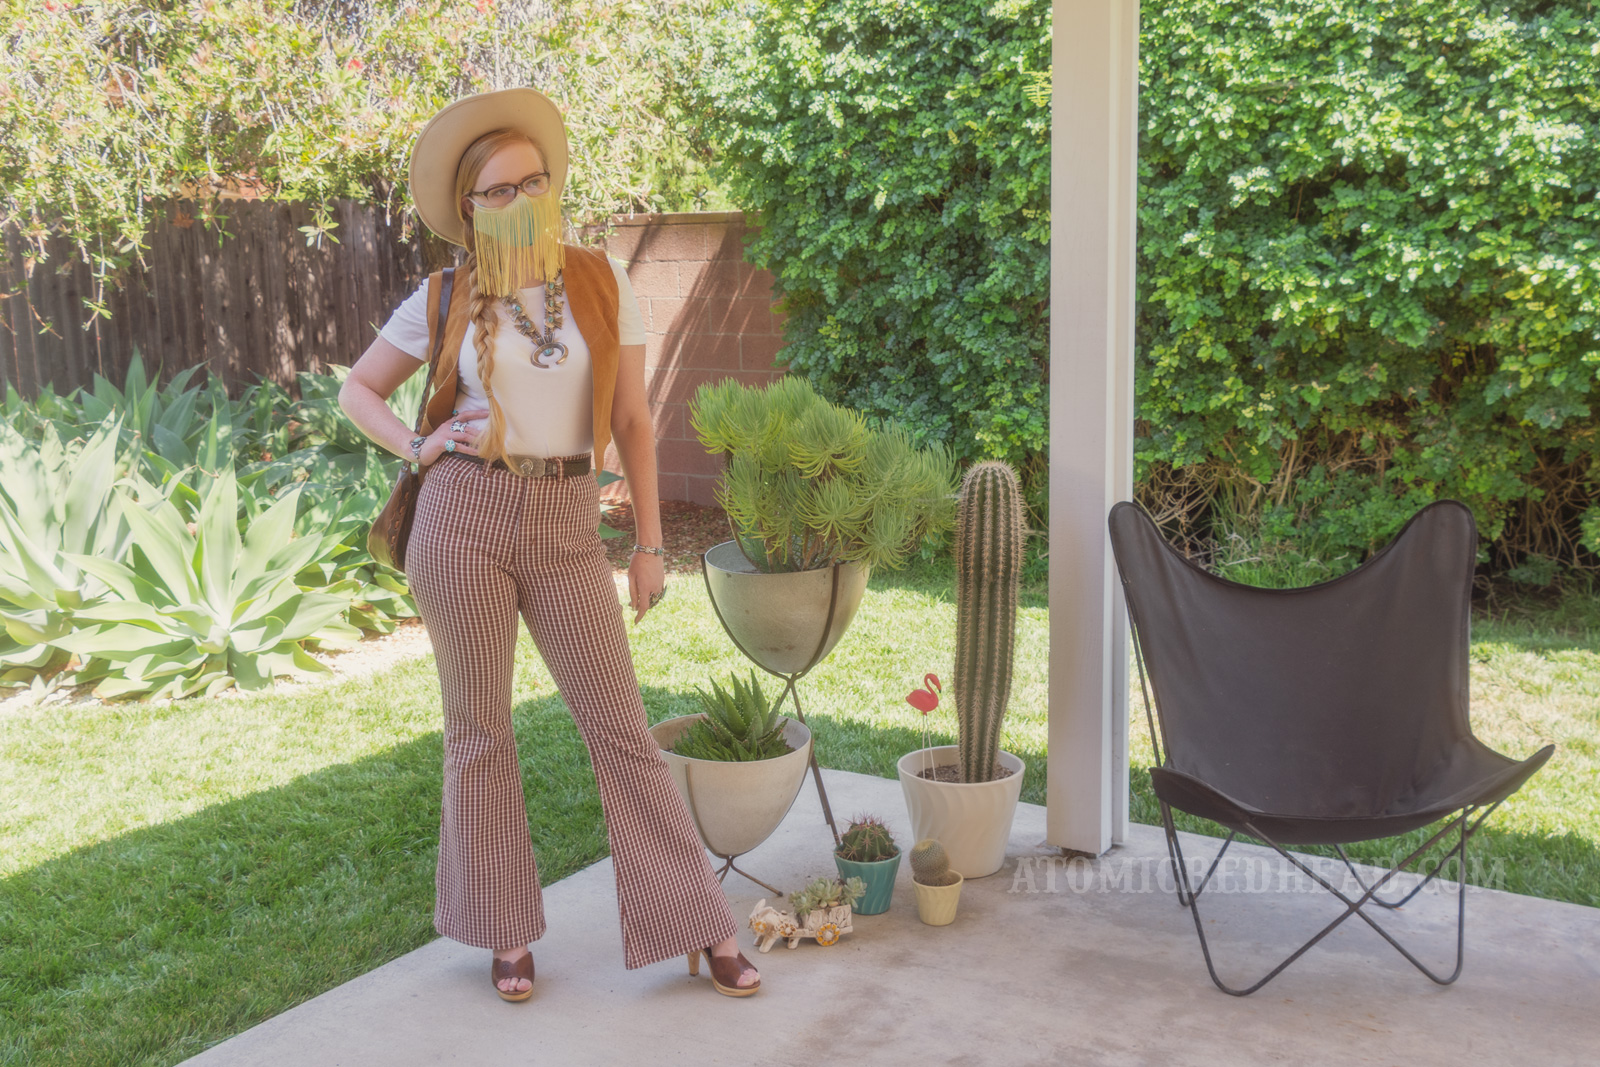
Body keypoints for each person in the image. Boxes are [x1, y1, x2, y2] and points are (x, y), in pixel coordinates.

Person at [337, 87, 760, 1002]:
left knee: (620, 729)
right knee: (481, 731)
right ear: (470, 210)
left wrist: (651, 544)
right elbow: (358, 391)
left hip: (569, 522)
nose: (523, 197)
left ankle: (698, 922)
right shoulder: (445, 294)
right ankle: (503, 931)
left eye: (536, 179)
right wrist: (418, 443)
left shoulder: (602, 283)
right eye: (500, 189)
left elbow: (635, 421)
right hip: (463, 520)